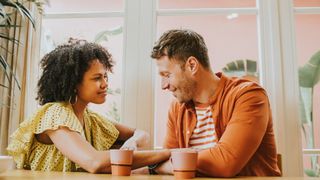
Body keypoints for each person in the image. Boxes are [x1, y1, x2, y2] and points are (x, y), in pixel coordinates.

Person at [7, 39, 170, 173]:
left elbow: (142, 134)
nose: (105, 84)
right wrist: (166, 153)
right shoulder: (55, 114)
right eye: (97, 78)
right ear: (74, 83)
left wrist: (133, 142)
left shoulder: (90, 119)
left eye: (105, 76)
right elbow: (95, 162)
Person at [149, 29, 281, 177]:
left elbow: (225, 163)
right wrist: (162, 164)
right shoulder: (177, 107)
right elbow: (164, 161)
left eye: (167, 75)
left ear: (192, 65)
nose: (164, 85)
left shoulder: (248, 95)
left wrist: (162, 165)